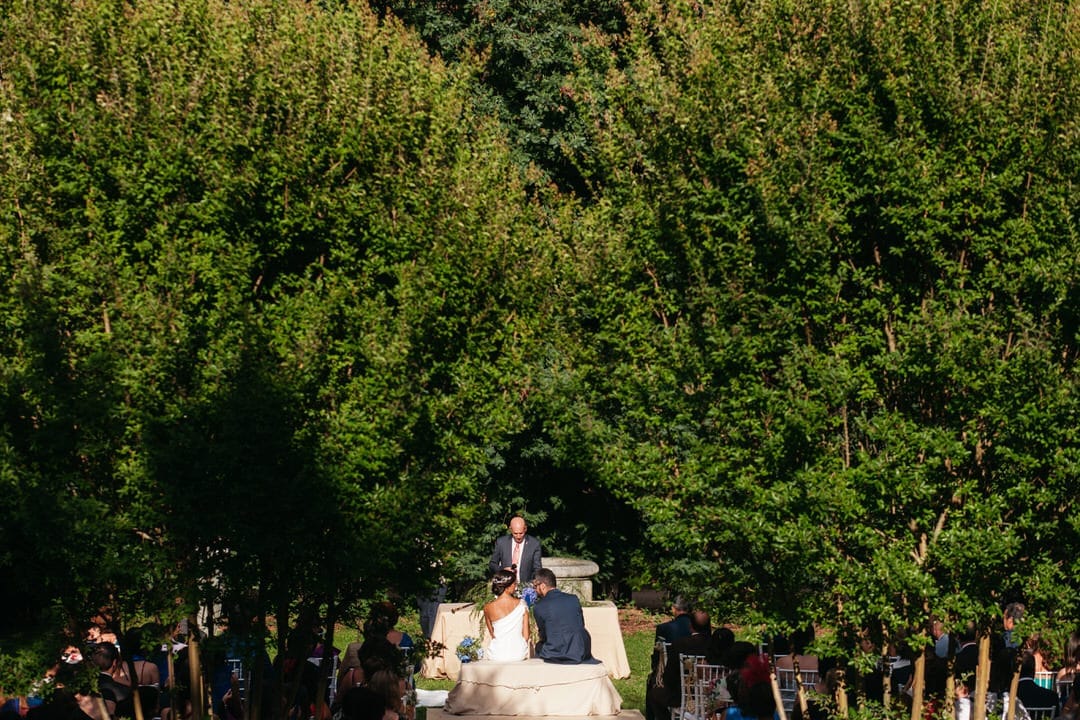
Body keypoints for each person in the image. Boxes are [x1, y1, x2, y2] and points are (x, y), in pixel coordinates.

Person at [531, 568, 594, 665]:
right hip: (580, 650)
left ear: (542, 586)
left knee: (539, 646)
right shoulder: (573, 599)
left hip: (555, 652)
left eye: (535, 587)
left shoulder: (539, 606)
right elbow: (580, 624)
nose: (534, 590)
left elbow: (543, 635)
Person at [483, 570, 530, 662]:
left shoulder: (487, 608)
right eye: (514, 584)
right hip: (518, 653)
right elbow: (526, 635)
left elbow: (492, 634)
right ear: (507, 586)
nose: (516, 587)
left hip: (497, 653)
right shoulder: (522, 604)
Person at [489, 517, 542, 585]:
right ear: (510, 529)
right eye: (515, 533)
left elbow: (537, 569)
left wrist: (530, 585)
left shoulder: (534, 544)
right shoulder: (501, 542)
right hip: (505, 586)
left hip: (526, 586)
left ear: (525, 529)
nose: (518, 537)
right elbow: (492, 564)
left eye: (521, 533)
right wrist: (503, 570)